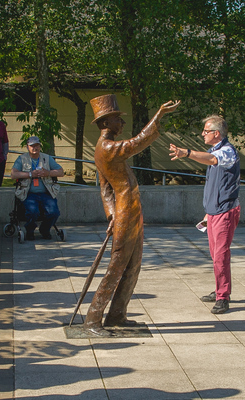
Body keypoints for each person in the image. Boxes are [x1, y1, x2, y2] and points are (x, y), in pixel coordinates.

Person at [83, 95, 179, 336]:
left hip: (128, 210)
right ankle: (93, 320)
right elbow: (139, 142)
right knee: (117, 266)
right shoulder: (107, 147)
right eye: (118, 119)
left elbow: (104, 188)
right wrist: (159, 114)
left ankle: (117, 314)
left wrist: (110, 214)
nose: (121, 124)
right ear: (106, 123)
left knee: (133, 265)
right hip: (126, 209)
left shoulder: (105, 147)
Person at [169, 115, 240, 315]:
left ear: (216, 133)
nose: (202, 134)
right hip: (214, 212)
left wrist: (187, 153)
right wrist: (208, 213)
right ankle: (220, 290)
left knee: (220, 255)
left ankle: (223, 297)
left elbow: (212, 160)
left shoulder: (226, 151)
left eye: (206, 131)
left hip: (225, 211)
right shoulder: (215, 150)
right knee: (215, 255)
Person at [10, 136, 63, 240]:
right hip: (28, 193)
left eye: (37, 145)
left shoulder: (47, 158)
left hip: (46, 193)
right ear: (27, 147)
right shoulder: (22, 159)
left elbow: (61, 172)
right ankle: (30, 231)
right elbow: (13, 174)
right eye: (32, 146)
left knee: (54, 212)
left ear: (40, 146)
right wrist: (30, 174)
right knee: (32, 211)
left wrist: (47, 173)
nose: (35, 147)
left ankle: (44, 229)